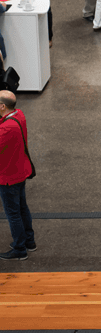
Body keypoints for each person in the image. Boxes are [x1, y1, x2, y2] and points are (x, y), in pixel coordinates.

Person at [0, 90, 36, 261]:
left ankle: (19, 248)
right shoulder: (19, 115)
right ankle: (29, 241)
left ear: (2, 106)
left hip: (8, 177)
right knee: (22, 208)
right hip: (20, 171)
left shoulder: (7, 128)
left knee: (13, 213)